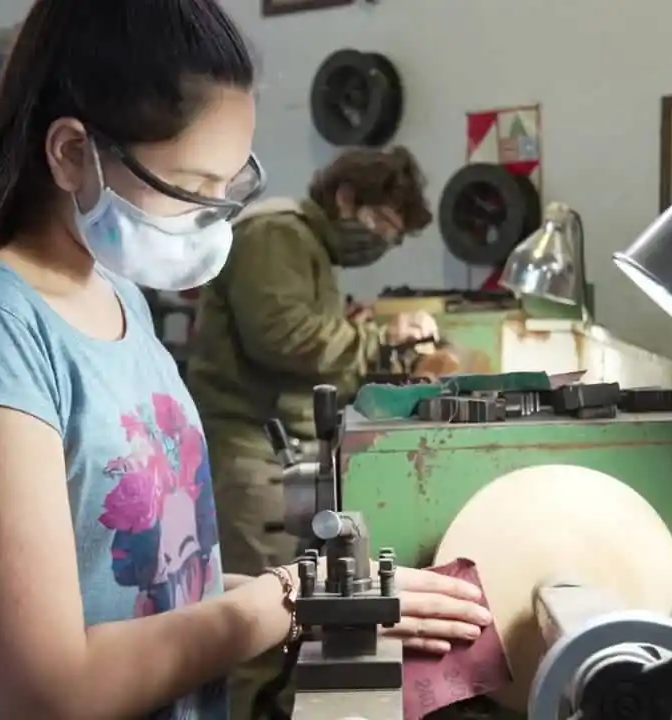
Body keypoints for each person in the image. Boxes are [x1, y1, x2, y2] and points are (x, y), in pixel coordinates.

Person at [0, 2, 490, 718]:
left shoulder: (119, 299)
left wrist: (337, 603)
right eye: (192, 187)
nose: (210, 218)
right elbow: (50, 690)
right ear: (73, 153)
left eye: (227, 188)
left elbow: (164, 595)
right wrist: (291, 597)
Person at [185, 147, 438, 718]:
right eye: (381, 225)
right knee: (254, 624)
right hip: (250, 449)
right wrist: (383, 343)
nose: (380, 242)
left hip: (282, 445)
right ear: (347, 198)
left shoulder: (311, 249)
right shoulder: (278, 235)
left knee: (285, 621)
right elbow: (287, 338)